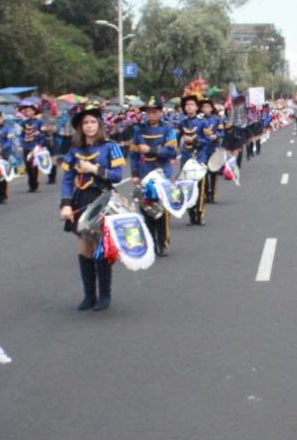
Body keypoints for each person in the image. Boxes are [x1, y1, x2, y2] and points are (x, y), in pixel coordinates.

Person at [59, 105, 126, 311]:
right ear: (80, 127)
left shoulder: (110, 146)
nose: (89, 126)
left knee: (100, 246)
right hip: (80, 200)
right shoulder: (74, 150)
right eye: (85, 123)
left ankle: (104, 295)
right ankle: (89, 295)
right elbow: (67, 180)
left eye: (92, 122)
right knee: (84, 247)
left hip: (101, 198)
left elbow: (117, 175)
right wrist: (66, 205)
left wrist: (95, 169)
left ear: (99, 125)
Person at [129, 97, 177, 257]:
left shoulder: (168, 130)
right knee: (145, 209)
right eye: (148, 111)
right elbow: (134, 155)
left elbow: (171, 152)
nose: (151, 114)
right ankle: (150, 242)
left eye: (154, 111)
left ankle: (162, 243)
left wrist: (151, 150)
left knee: (161, 211)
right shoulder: (139, 131)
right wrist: (135, 174)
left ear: (161, 112)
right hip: (144, 175)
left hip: (162, 173)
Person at [176, 94, 208, 225]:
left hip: (199, 158)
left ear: (196, 107)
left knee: (199, 188)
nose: (189, 107)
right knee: (186, 188)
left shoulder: (203, 122)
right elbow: (175, 141)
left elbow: (207, 140)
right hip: (185, 158)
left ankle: (199, 214)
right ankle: (191, 214)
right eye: (187, 105)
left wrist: (195, 140)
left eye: (192, 105)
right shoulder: (181, 124)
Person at [200, 98, 223, 203]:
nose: (206, 109)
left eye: (208, 107)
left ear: (211, 108)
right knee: (204, 173)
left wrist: (216, 136)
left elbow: (222, 132)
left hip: (213, 148)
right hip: (202, 150)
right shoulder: (198, 120)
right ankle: (204, 194)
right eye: (204, 107)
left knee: (214, 172)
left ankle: (213, 194)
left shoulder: (217, 119)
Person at [20, 103, 47, 193]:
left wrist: (39, 135)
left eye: (29, 110)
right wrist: (21, 144)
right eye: (26, 111)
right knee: (28, 166)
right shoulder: (24, 123)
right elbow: (21, 135)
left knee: (34, 166)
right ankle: (31, 184)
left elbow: (44, 135)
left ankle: (35, 184)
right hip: (26, 146)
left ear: (34, 111)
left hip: (35, 146)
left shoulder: (40, 122)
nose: (27, 112)